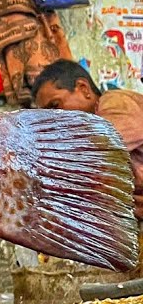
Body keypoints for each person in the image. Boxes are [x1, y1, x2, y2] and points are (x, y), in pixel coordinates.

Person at [33, 59, 143, 218]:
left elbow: (98, 150)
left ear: (84, 89)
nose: (52, 121)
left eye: (55, 106)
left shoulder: (116, 101)